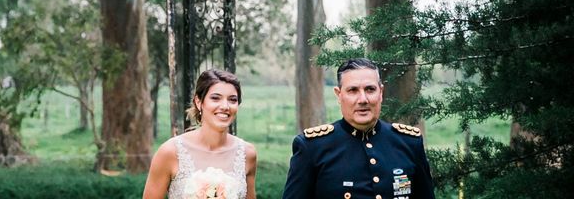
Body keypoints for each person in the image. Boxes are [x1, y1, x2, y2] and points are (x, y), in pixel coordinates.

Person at [282, 58, 435, 199]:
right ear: (339, 95)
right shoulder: (312, 148)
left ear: (381, 93)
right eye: (353, 90)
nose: (363, 99)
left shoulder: (408, 143)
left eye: (370, 89)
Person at [142, 69, 257, 199]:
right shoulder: (169, 152)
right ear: (198, 102)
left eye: (232, 100)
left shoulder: (247, 153)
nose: (225, 106)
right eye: (215, 98)